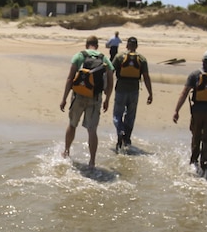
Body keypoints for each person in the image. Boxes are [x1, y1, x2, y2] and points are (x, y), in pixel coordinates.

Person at [59, 35, 114, 169]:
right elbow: (111, 80)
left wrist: (64, 98)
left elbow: (70, 78)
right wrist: (107, 99)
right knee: (92, 130)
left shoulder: (79, 56)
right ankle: (92, 161)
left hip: (78, 96)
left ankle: (66, 151)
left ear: (86, 44)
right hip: (95, 98)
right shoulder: (104, 58)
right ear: (97, 45)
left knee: (72, 125)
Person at [172, 49, 207, 177]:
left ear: (202, 60)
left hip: (197, 111)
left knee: (196, 136)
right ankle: (206, 165)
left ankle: (193, 161)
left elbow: (184, 93)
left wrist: (176, 111)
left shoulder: (195, 75)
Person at [111, 36, 153, 151]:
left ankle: (120, 130)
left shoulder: (119, 57)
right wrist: (150, 93)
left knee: (117, 115)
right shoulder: (142, 59)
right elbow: (146, 77)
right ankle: (127, 138)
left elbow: (110, 71)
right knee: (131, 115)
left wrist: (106, 87)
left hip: (120, 89)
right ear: (137, 46)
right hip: (134, 90)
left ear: (127, 45)